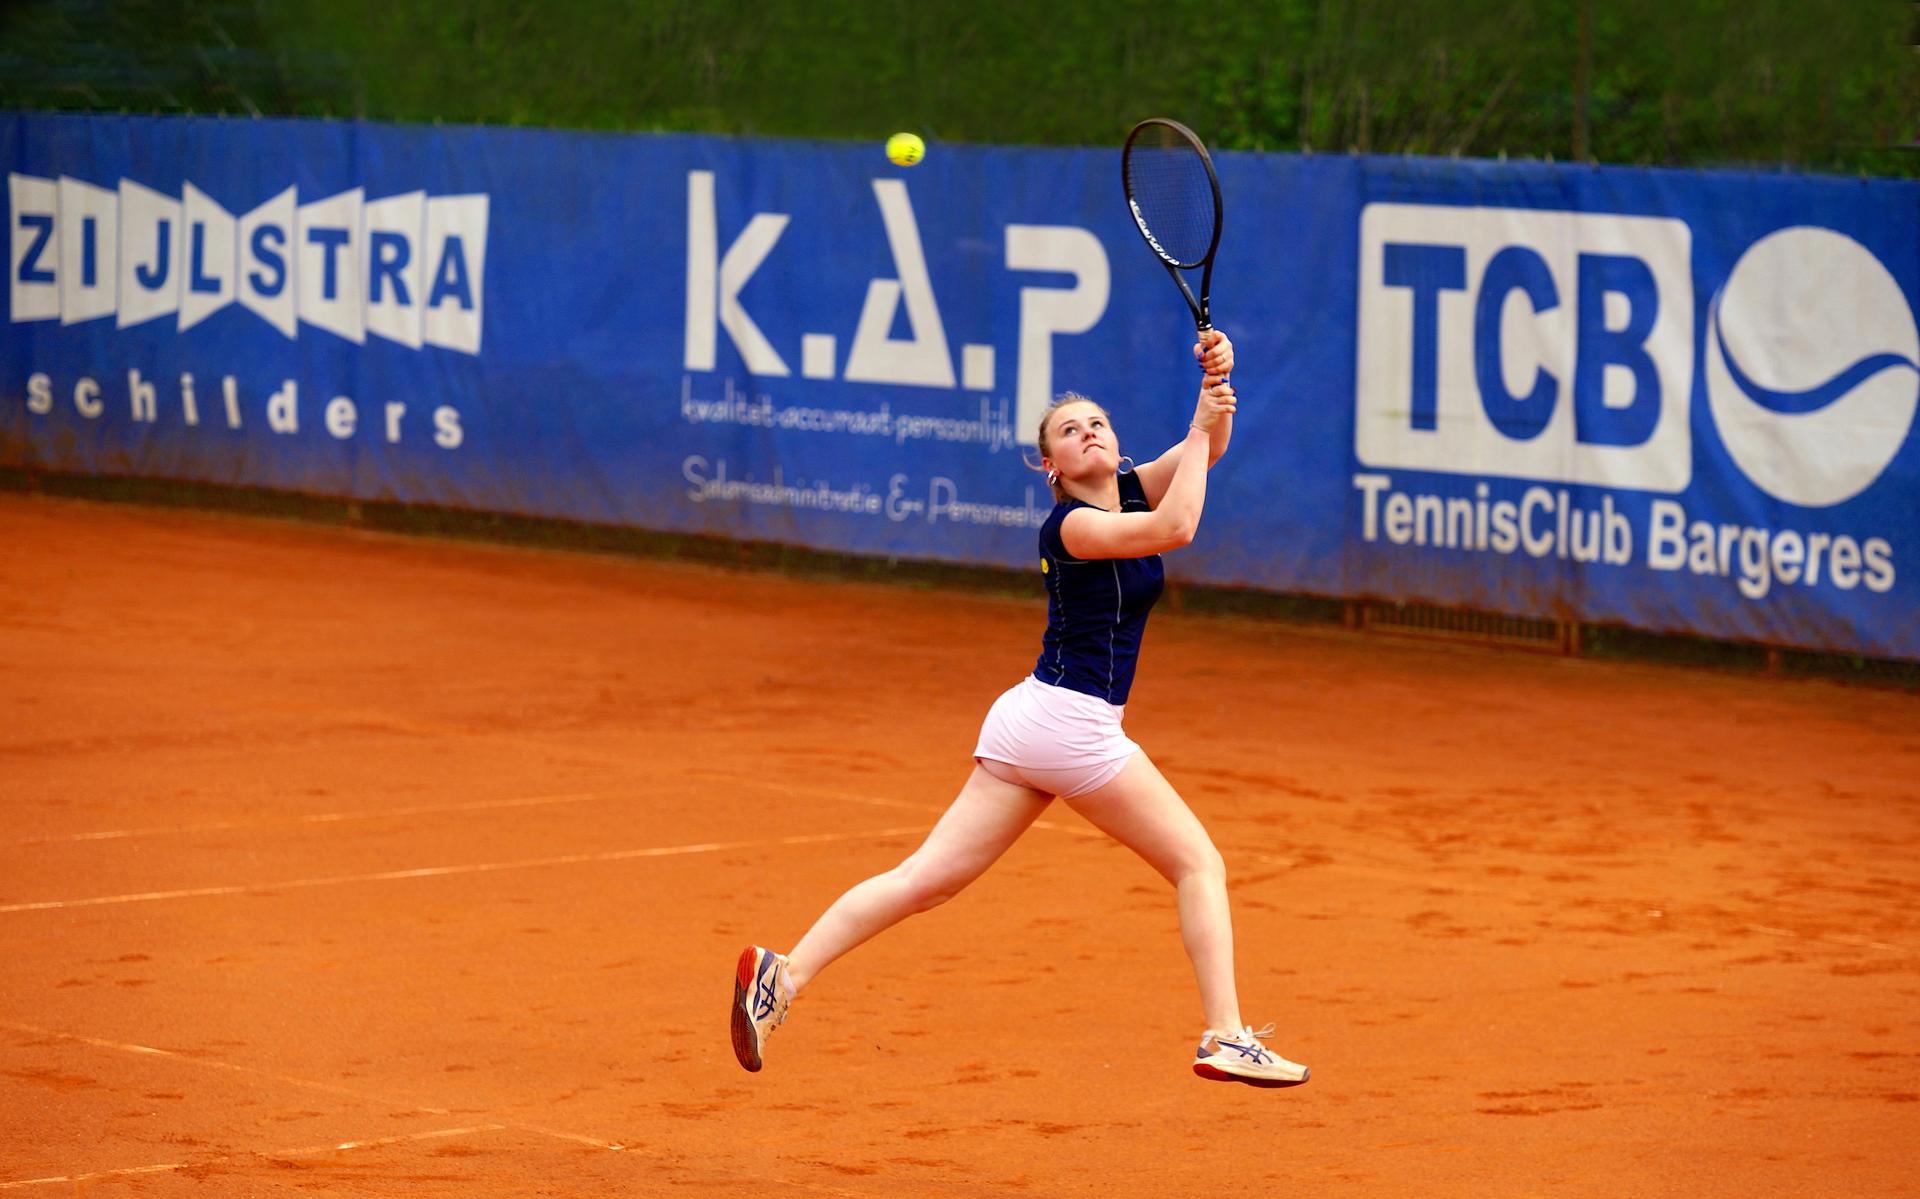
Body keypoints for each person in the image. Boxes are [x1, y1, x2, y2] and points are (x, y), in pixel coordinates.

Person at [730, 329, 1308, 1087]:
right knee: (1198, 860)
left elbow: (1208, 454)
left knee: (926, 879)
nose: (1087, 432)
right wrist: (1201, 427)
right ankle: (1225, 1034)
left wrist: (1215, 393)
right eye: (1069, 431)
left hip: (1032, 718)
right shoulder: (1071, 526)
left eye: (1097, 422)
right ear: (1051, 467)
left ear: (1116, 442)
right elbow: (1180, 526)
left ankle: (784, 974)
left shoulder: (1132, 484)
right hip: (1072, 725)